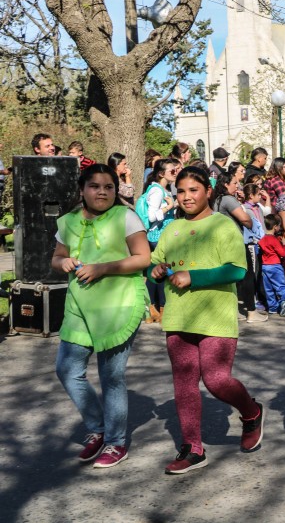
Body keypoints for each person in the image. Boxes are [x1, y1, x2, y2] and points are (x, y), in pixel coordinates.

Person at [150, 167, 264, 474]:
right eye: (181, 191)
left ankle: (251, 412)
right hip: (178, 317)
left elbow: (237, 270)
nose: (186, 197)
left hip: (215, 317)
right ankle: (192, 448)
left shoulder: (223, 226)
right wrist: (157, 272)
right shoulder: (171, 229)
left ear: (208, 192)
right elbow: (156, 263)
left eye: (193, 190)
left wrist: (194, 276)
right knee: (184, 383)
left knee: (215, 380)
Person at [52, 164, 151, 468]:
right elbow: (55, 258)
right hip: (79, 307)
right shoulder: (67, 221)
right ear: (82, 189)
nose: (103, 192)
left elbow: (143, 257)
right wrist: (64, 261)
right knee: (67, 370)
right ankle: (97, 428)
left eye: (109, 186)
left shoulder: (126, 216)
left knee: (111, 377)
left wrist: (102, 268)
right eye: (95, 186)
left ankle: (115, 442)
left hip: (118, 304)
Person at [213, 172, 266, 322]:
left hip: (222, 242)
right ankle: (251, 312)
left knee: (231, 278)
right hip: (235, 242)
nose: (237, 186)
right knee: (247, 276)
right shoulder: (229, 200)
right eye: (235, 183)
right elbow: (244, 219)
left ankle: (233, 310)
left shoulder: (217, 200)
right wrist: (250, 223)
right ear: (226, 184)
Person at [140, 158, 179, 322]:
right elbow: (151, 216)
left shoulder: (164, 189)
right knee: (159, 273)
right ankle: (156, 309)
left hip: (163, 236)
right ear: (161, 173)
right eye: (172, 170)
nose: (175, 173)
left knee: (156, 273)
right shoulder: (157, 191)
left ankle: (155, 309)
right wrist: (170, 207)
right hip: (158, 237)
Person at [259, 213, 285, 316]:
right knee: (280, 285)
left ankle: (272, 308)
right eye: (279, 226)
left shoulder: (262, 240)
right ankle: (283, 301)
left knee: (268, 288)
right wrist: (284, 244)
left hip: (265, 266)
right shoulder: (274, 240)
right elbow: (283, 254)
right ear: (275, 227)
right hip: (275, 266)